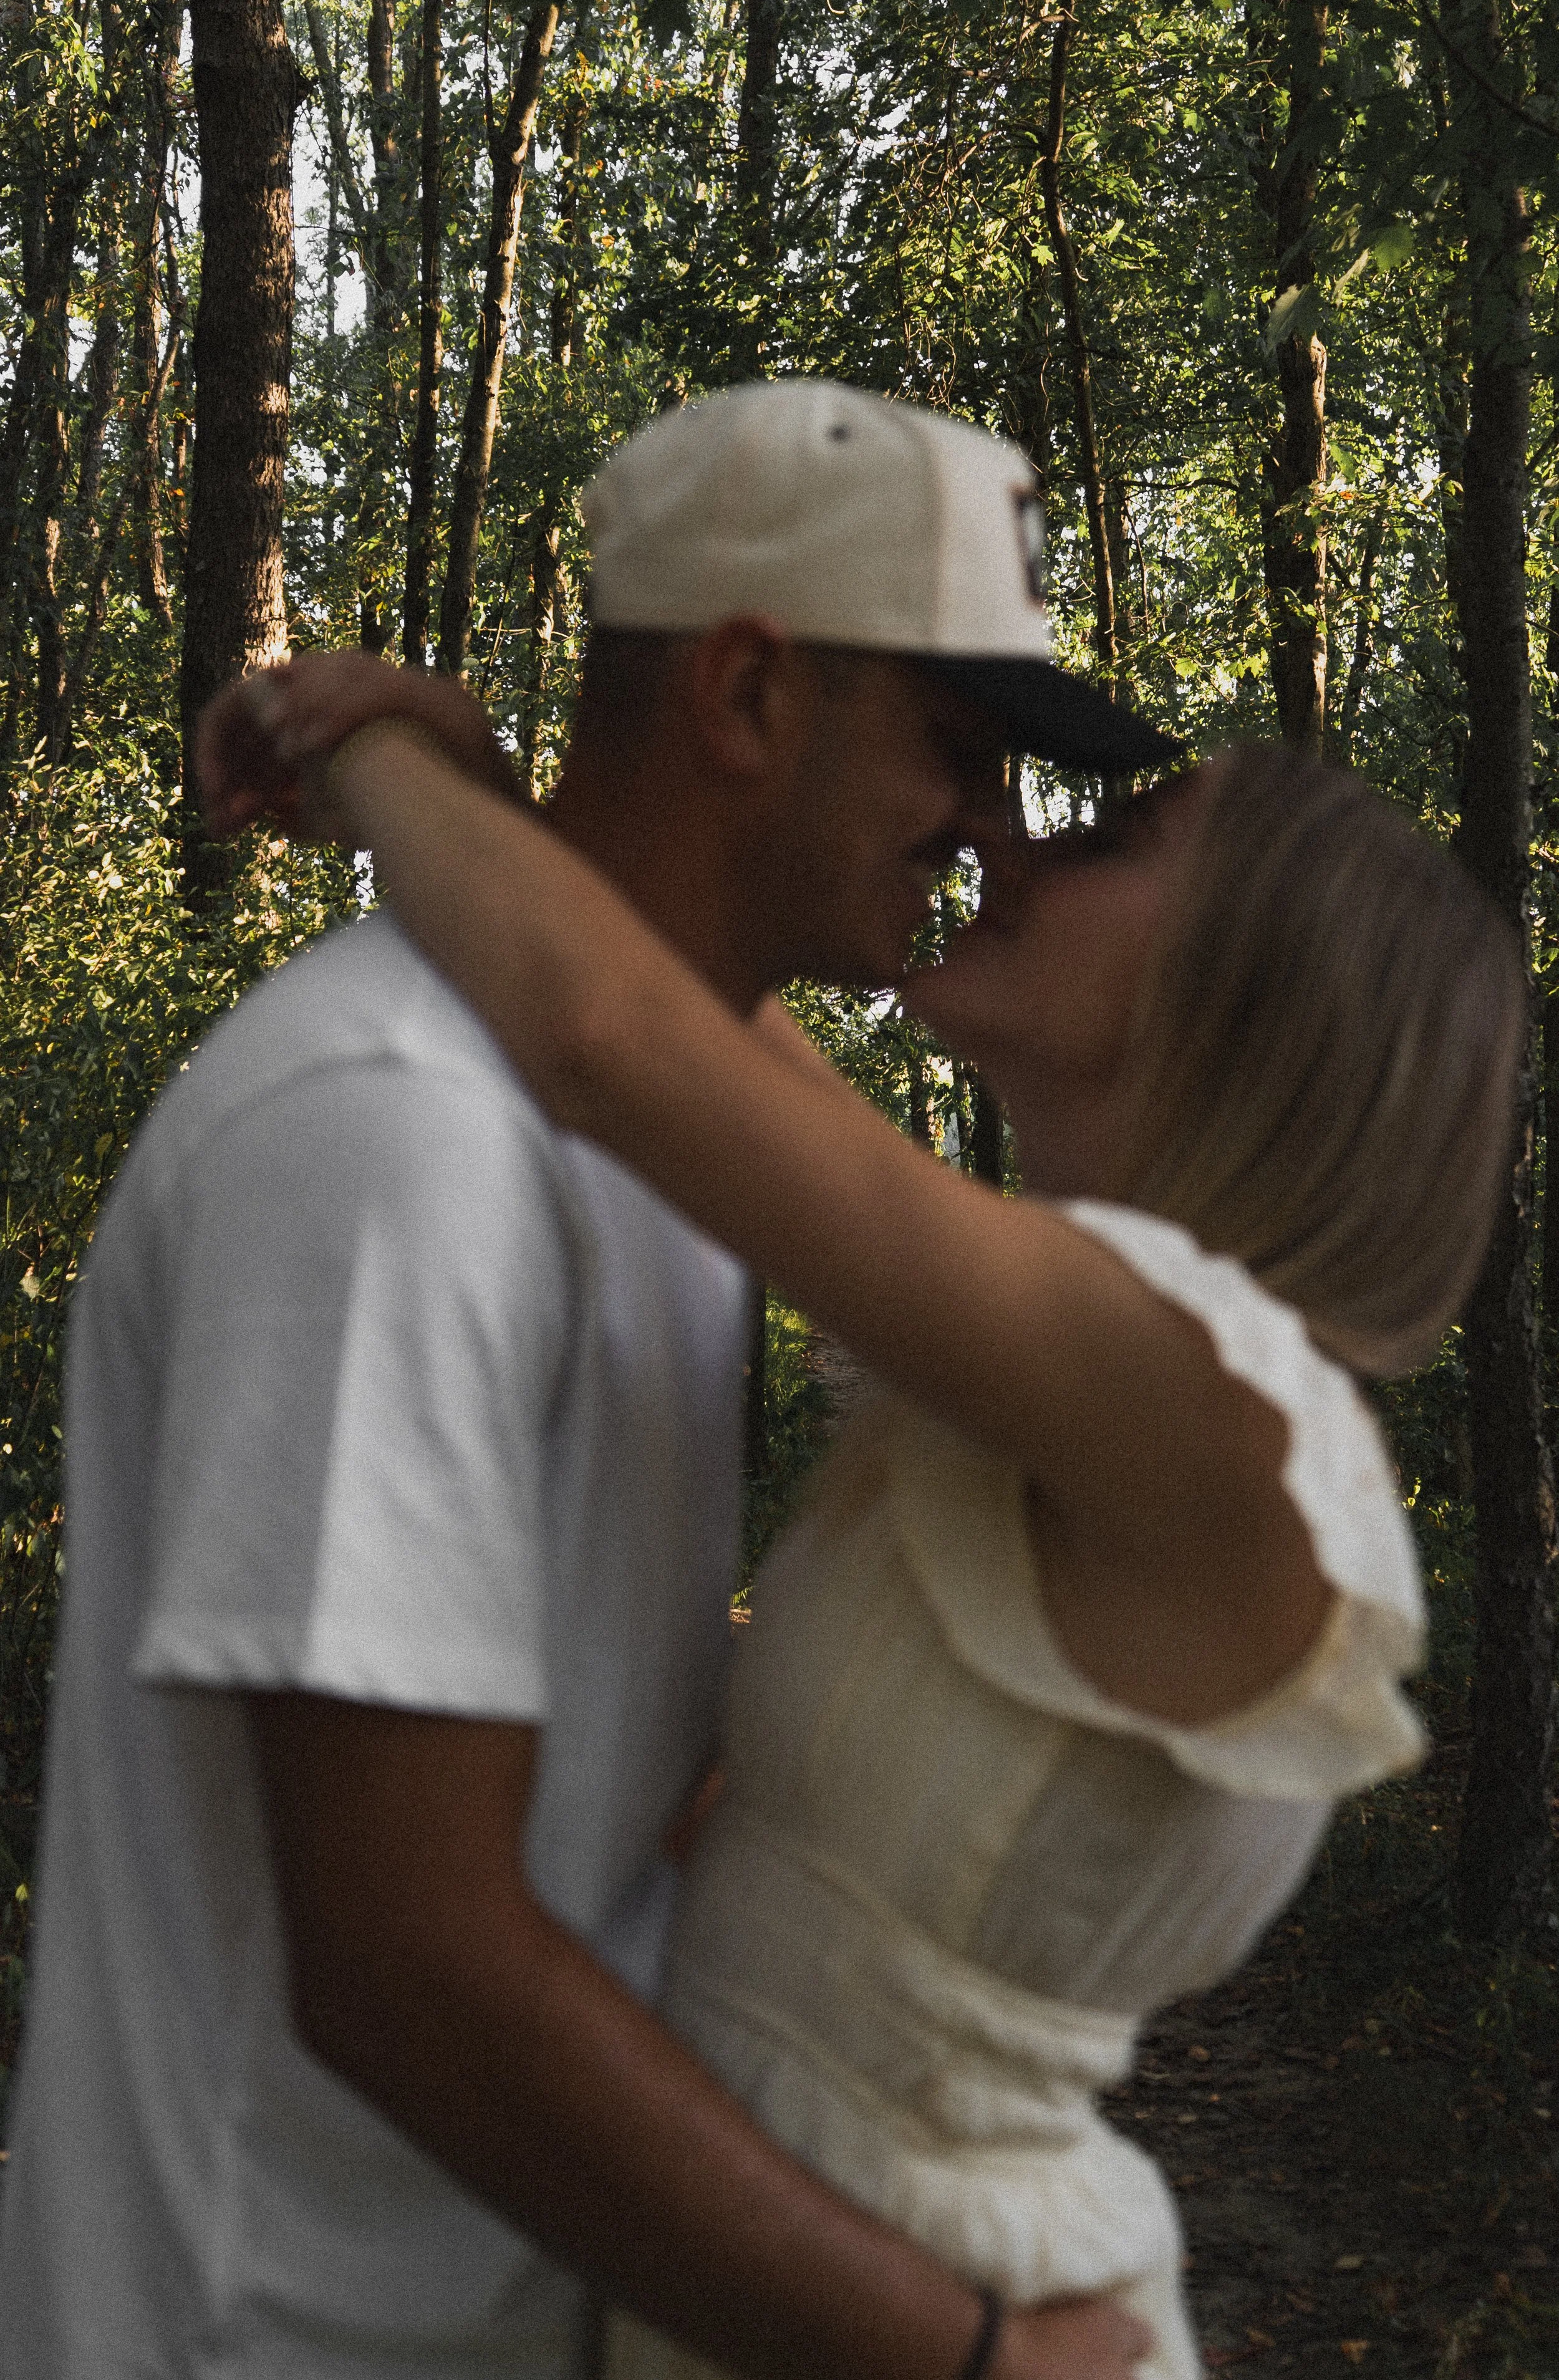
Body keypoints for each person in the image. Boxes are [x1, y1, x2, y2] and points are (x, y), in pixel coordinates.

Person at [1, 383, 1172, 2380]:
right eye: (955, 751)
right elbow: (406, 1968)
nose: (988, 827)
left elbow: (599, 1806)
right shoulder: (399, 1134)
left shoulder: (677, 1150)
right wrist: (958, 2351)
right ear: (745, 700)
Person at [209, 667, 1520, 2380]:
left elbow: (612, 1036)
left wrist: (371, 751)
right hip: (812, 2276)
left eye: (1107, 839)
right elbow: (678, 1022)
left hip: (946, 2307)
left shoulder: (1215, 1411)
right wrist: (505, 802)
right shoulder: (1088, 1382)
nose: (1002, 835)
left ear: (1251, 1002)